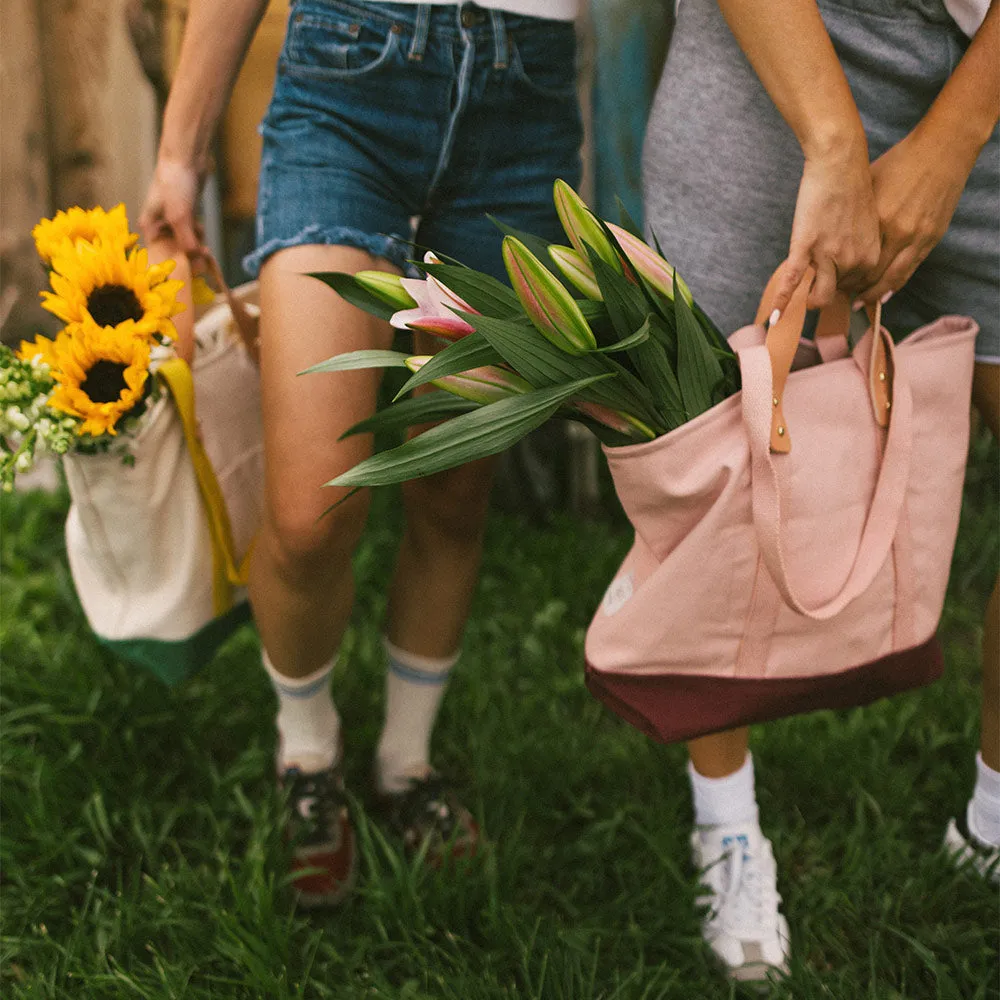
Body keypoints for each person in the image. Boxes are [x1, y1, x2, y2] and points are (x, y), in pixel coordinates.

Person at [141, 0, 582, 906]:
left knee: (453, 486)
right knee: (310, 513)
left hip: (521, 104)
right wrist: (178, 157)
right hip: (348, 84)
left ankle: (404, 765)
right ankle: (307, 751)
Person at [642, 0, 998, 982]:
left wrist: (956, 137)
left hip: (986, 77)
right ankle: (727, 828)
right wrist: (833, 144)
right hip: (777, 53)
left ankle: (994, 824)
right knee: (715, 459)